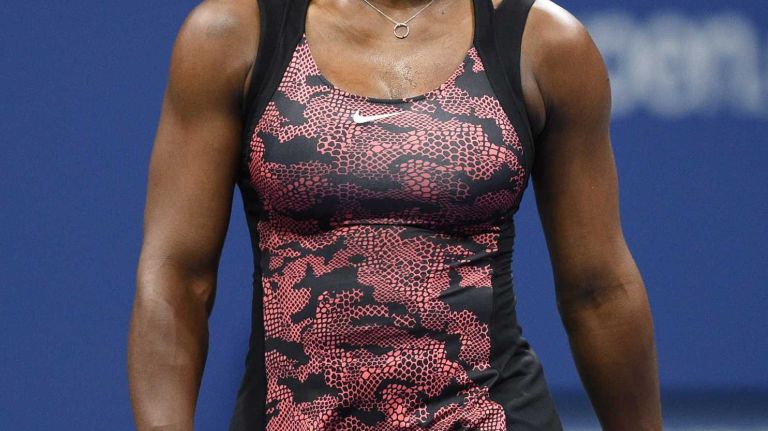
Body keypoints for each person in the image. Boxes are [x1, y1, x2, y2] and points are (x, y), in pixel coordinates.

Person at [127, 0, 662, 429]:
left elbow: (599, 290)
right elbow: (177, 277)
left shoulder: (544, 43)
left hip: (491, 414)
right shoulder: (233, 34)